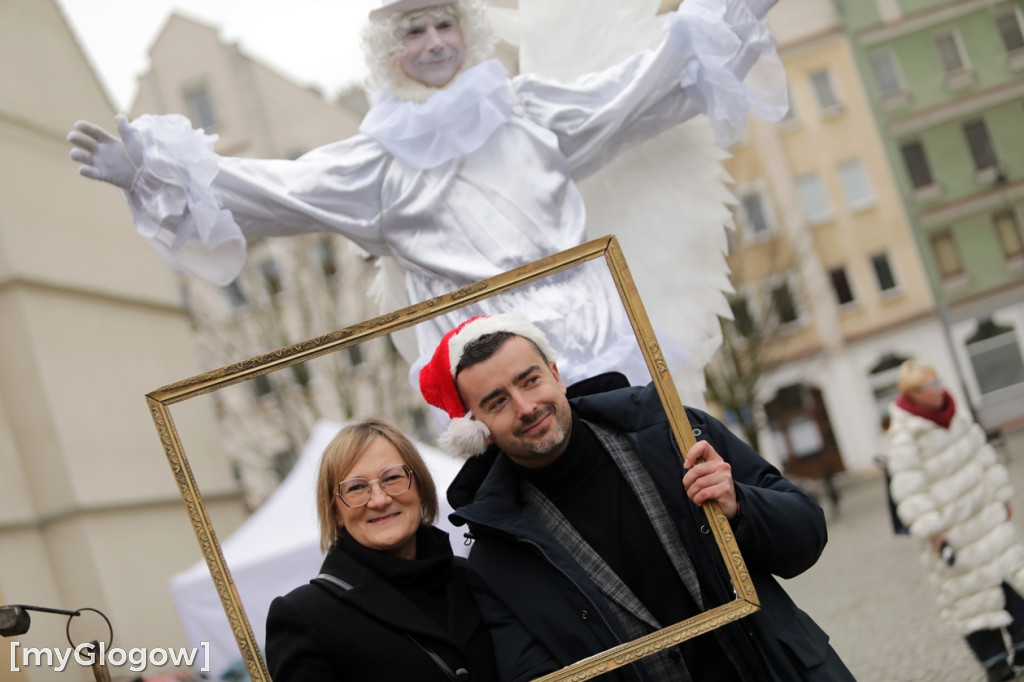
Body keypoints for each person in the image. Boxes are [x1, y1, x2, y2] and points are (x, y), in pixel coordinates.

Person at [66, 0, 788, 395]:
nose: (436, 41)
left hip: (598, 353)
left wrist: (731, 17)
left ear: (467, 30)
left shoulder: (530, 114)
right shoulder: (374, 168)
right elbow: (273, 190)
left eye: (446, 23)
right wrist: (149, 172)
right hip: (490, 384)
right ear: (390, 49)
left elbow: (637, 91)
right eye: (415, 29)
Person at [416, 313, 854, 682]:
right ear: (479, 429)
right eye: (497, 402)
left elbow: (806, 537)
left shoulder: (674, 434)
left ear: (555, 374)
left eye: (529, 380)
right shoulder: (495, 556)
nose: (526, 406)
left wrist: (740, 505)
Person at [264, 418, 499, 681]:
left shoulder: (475, 577)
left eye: (393, 478)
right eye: (356, 488)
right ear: (336, 512)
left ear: (419, 486)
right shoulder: (305, 615)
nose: (380, 499)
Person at [887, 361, 1024, 682]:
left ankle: (1022, 642)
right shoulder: (905, 436)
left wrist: (1001, 496)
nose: (939, 388)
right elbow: (909, 489)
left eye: (938, 380)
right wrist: (933, 531)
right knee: (968, 593)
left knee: (1011, 578)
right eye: (930, 384)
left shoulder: (956, 414)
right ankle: (994, 661)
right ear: (914, 394)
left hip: (984, 515)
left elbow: (983, 455)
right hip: (952, 528)